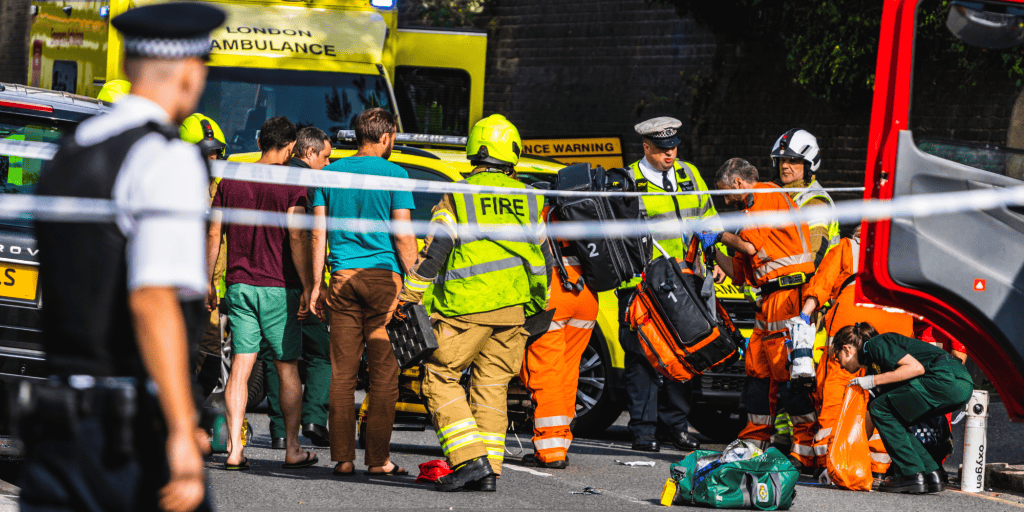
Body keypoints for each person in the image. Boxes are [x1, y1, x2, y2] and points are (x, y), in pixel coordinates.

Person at [23, 4, 224, 511]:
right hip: (127, 434)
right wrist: (182, 427)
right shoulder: (168, 158)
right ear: (189, 73)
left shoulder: (71, 151)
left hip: (55, 422)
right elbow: (152, 299)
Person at [397, 114, 552, 492]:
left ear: (474, 151)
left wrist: (409, 296)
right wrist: (534, 306)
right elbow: (543, 261)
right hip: (515, 311)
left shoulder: (460, 195)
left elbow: (435, 251)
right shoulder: (530, 199)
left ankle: (469, 461)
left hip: (466, 309)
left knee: (439, 377)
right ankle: (490, 471)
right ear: (512, 153)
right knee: (492, 387)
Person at [308, 108, 417, 477]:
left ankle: (342, 458)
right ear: (385, 138)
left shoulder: (330, 173)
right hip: (384, 280)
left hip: (341, 278)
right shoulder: (398, 175)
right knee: (384, 376)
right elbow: (403, 237)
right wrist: (415, 281)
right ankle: (378, 460)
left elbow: (317, 233)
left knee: (343, 373)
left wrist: (315, 285)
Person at [207, 116, 319, 471]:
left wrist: (207, 280)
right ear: (289, 148)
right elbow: (298, 236)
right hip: (277, 288)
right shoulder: (291, 184)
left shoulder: (232, 180)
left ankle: (235, 449)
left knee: (240, 366)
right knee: (287, 368)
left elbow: (213, 235)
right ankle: (292, 449)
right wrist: (306, 286)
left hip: (238, 285)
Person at [700, 158, 816, 472]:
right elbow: (739, 275)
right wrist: (712, 250)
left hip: (789, 296)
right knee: (757, 372)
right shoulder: (749, 215)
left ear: (738, 183)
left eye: (725, 192)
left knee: (788, 373)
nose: (724, 200)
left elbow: (750, 249)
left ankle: (804, 450)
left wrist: (717, 234)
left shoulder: (764, 193)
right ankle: (754, 442)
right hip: (770, 299)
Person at [620, 116, 720, 453]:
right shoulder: (628, 181)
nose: (670, 154)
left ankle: (675, 426)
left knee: (684, 352)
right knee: (642, 356)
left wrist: (714, 256)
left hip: (684, 279)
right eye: (662, 148)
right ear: (646, 147)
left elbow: (708, 217)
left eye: (674, 147)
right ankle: (643, 430)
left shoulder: (688, 174)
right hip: (644, 282)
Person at [798, 225, 914, 477]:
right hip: (898, 320)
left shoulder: (847, 248)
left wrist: (804, 316)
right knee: (888, 391)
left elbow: (821, 285)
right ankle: (877, 463)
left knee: (839, 387)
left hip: (854, 314)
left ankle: (830, 458)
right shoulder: (906, 253)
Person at [830, 323, 974, 494]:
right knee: (892, 415)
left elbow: (915, 368)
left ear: (847, 349)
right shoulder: (875, 366)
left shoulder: (876, 344)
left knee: (881, 408)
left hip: (947, 379)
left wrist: (873, 381)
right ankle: (931, 474)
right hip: (957, 384)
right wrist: (845, 461)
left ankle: (911, 474)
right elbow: (871, 417)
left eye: (838, 358)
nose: (840, 366)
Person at [262, 126, 334, 449]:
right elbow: (304, 236)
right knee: (323, 351)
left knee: (277, 354)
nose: (328, 166)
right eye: (326, 158)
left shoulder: (269, 176)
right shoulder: (309, 184)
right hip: (297, 284)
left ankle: (279, 430)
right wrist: (311, 286)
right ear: (308, 153)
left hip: (268, 281)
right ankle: (314, 417)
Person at [518, 215, 598, 469]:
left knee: (546, 372)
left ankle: (551, 450)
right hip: (586, 296)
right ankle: (561, 442)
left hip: (554, 293)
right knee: (568, 370)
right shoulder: (580, 209)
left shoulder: (539, 212)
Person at [179, 113, 229, 397]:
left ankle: (191, 408)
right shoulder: (170, 188)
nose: (212, 160)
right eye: (205, 154)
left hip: (211, 290)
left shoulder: (219, 187)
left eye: (216, 154)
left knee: (211, 362)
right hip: (180, 287)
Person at [771, 129, 840, 266]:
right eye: (782, 160)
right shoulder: (783, 195)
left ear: (809, 163)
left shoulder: (815, 202)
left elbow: (814, 256)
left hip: (812, 284)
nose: (784, 165)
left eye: (793, 160)